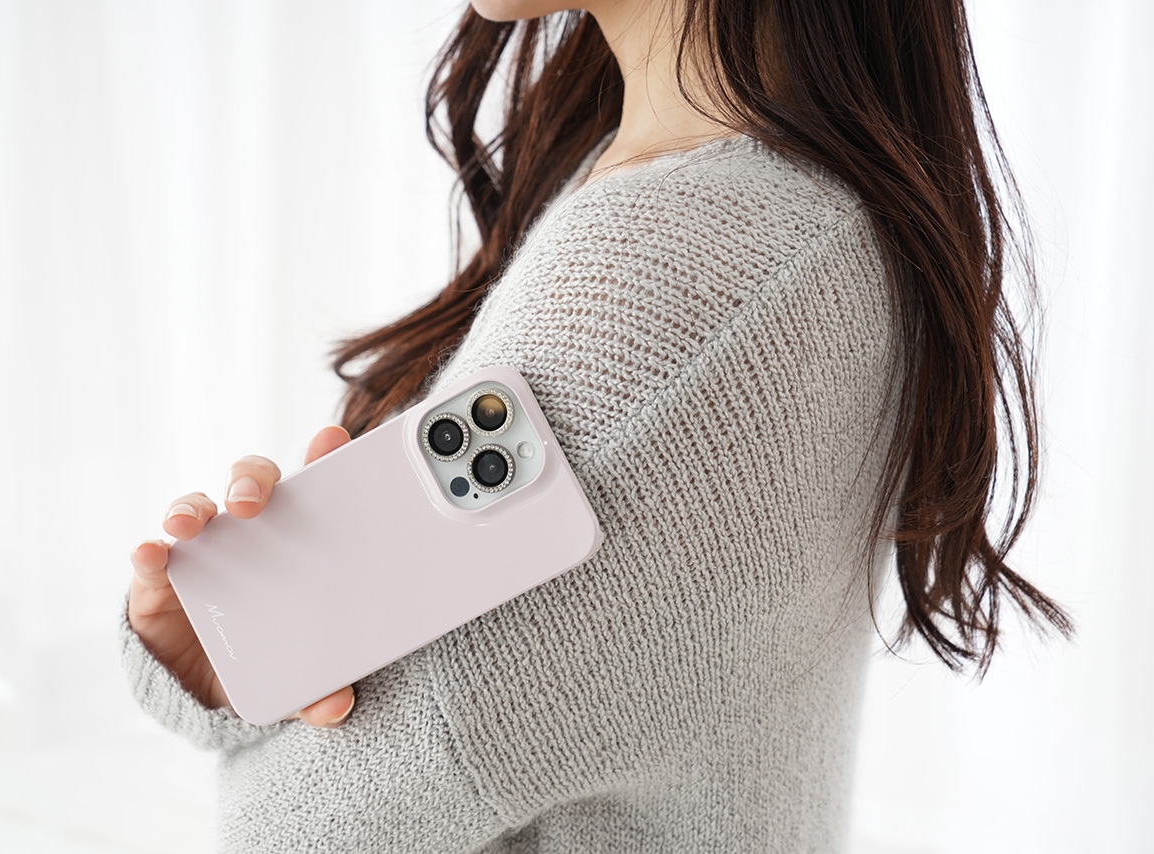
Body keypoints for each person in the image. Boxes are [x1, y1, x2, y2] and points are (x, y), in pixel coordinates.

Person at [121, 1, 1073, 851]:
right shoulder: (742, 204)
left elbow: (296, 831)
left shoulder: (683, 271)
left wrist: (269, 729)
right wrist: (230, 670)